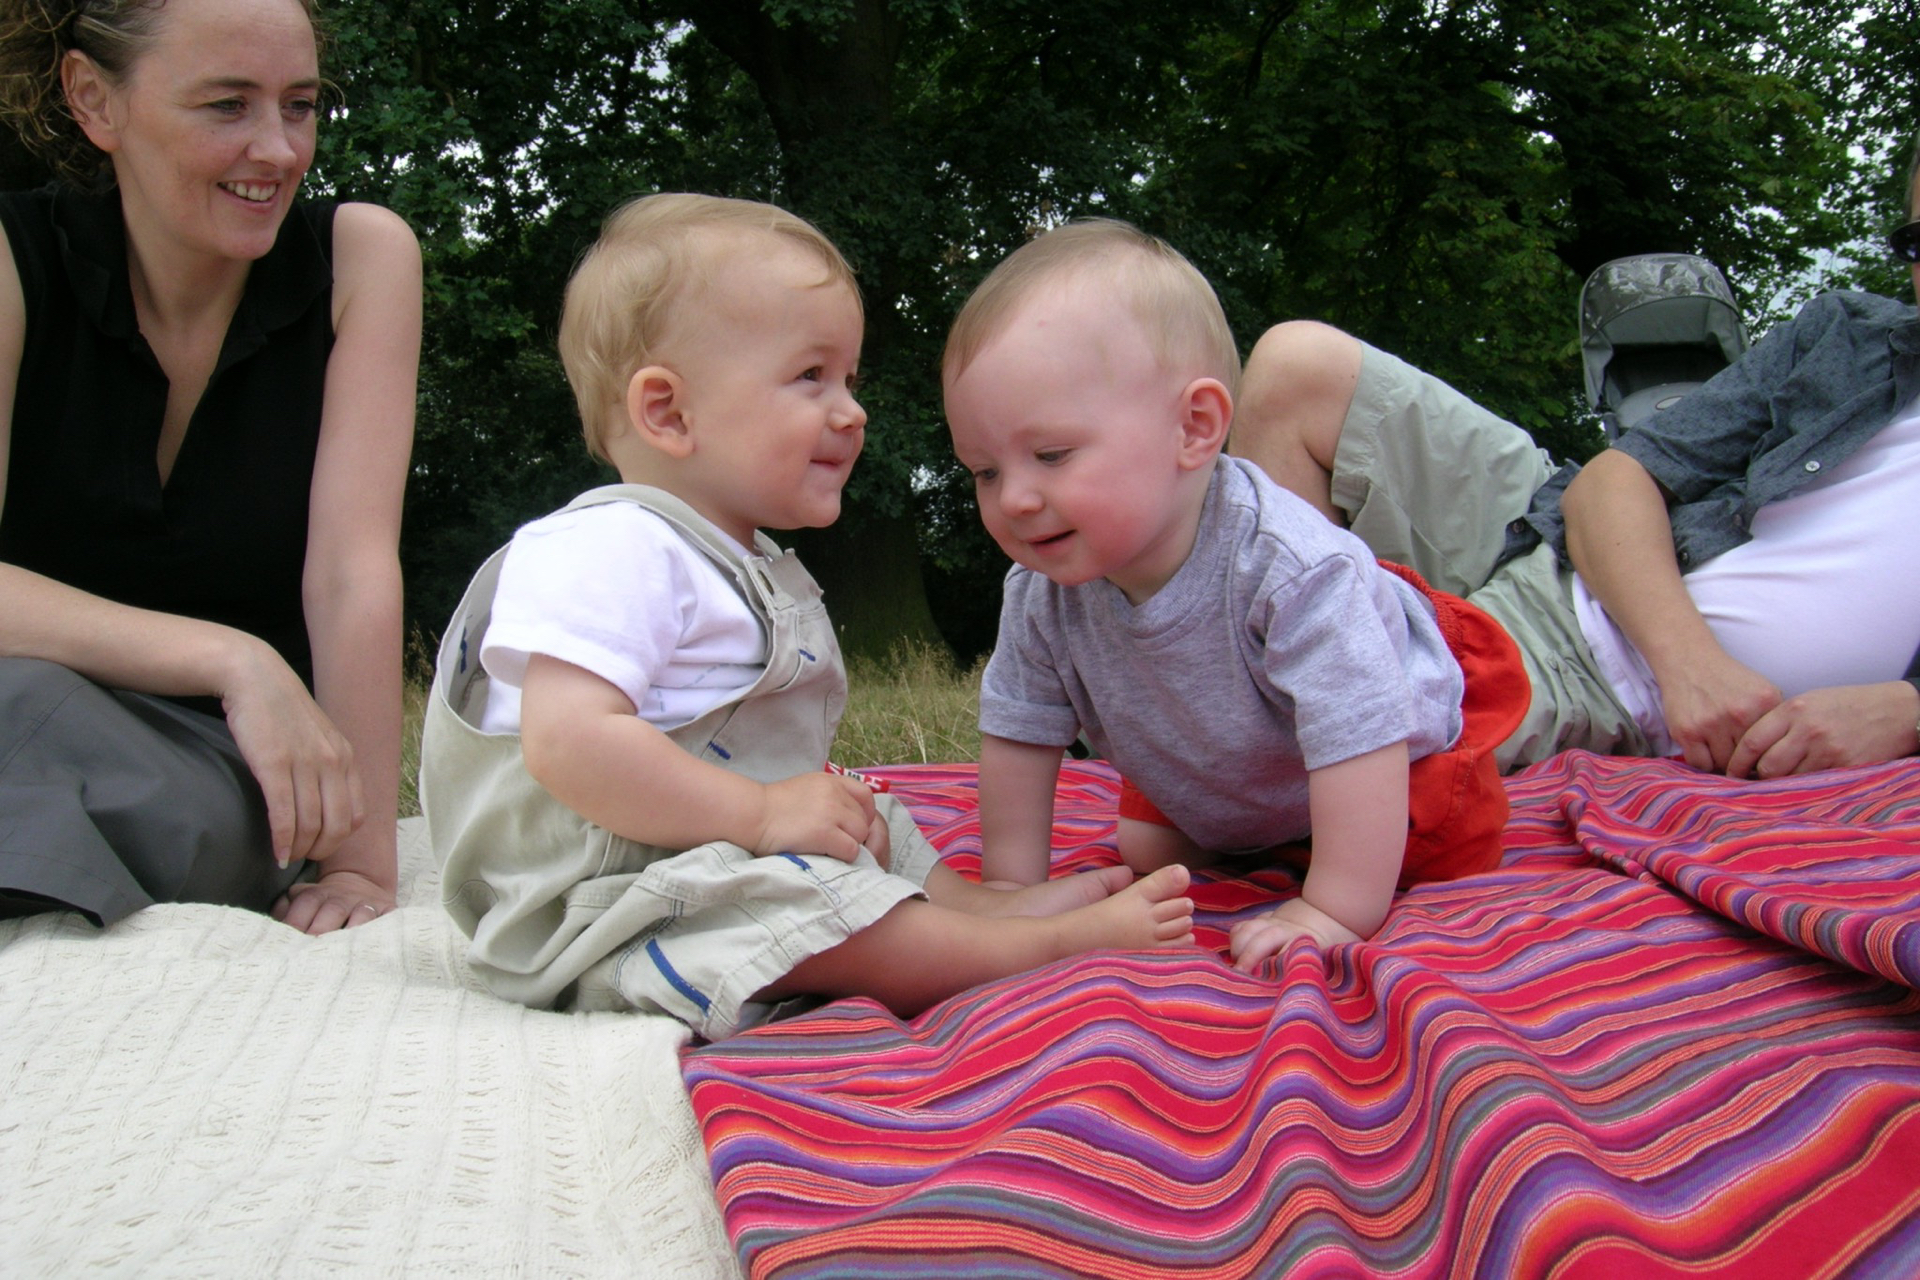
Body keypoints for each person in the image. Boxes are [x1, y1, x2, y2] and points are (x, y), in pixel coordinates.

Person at [418, 193, 1194, 1041]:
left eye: (849, 380)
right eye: (811, 376)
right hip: (602, 898)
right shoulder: (611, 546)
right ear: (668, 412)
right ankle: (1019, 951)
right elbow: (569, 742)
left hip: (701, 853)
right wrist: (759, 816)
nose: (852, 411)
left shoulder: (730, 559)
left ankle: (976, 909)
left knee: (864, 813)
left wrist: (786, 810)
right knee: (809, 904)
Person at [941, 219, 1532, 971]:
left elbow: (1361, 730)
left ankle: (1324, 851)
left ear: (1195, 428)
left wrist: (1333, 908)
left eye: (1051, 455)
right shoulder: (1039, 592)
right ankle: (1275, 831)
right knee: (1147, 848)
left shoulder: (1291, 568)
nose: (1015, 500)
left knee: (1439, 845)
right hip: (1234, 760)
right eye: (985, 472)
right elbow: (1019, 732)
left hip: (1394, 752)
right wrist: (1009, 889)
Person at [1230, 140, 1920, 782]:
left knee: (1290, 753)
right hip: (1562, 542)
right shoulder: (1852, 335)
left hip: (1589, 673)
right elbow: (1614, 479)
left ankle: (1268, 686)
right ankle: (1254, 657)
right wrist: (1691, 664)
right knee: (1299, 369)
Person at [0, 0, 421, 933]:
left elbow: (351, 575)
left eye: (300, 105)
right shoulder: (11, 260)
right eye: (228, 105)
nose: (278, 148)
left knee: (117, 785)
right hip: (20, 697)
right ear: (93, 99)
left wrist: (357, 862)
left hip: (221, 760)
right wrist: (233, 658)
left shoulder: (360, 259)